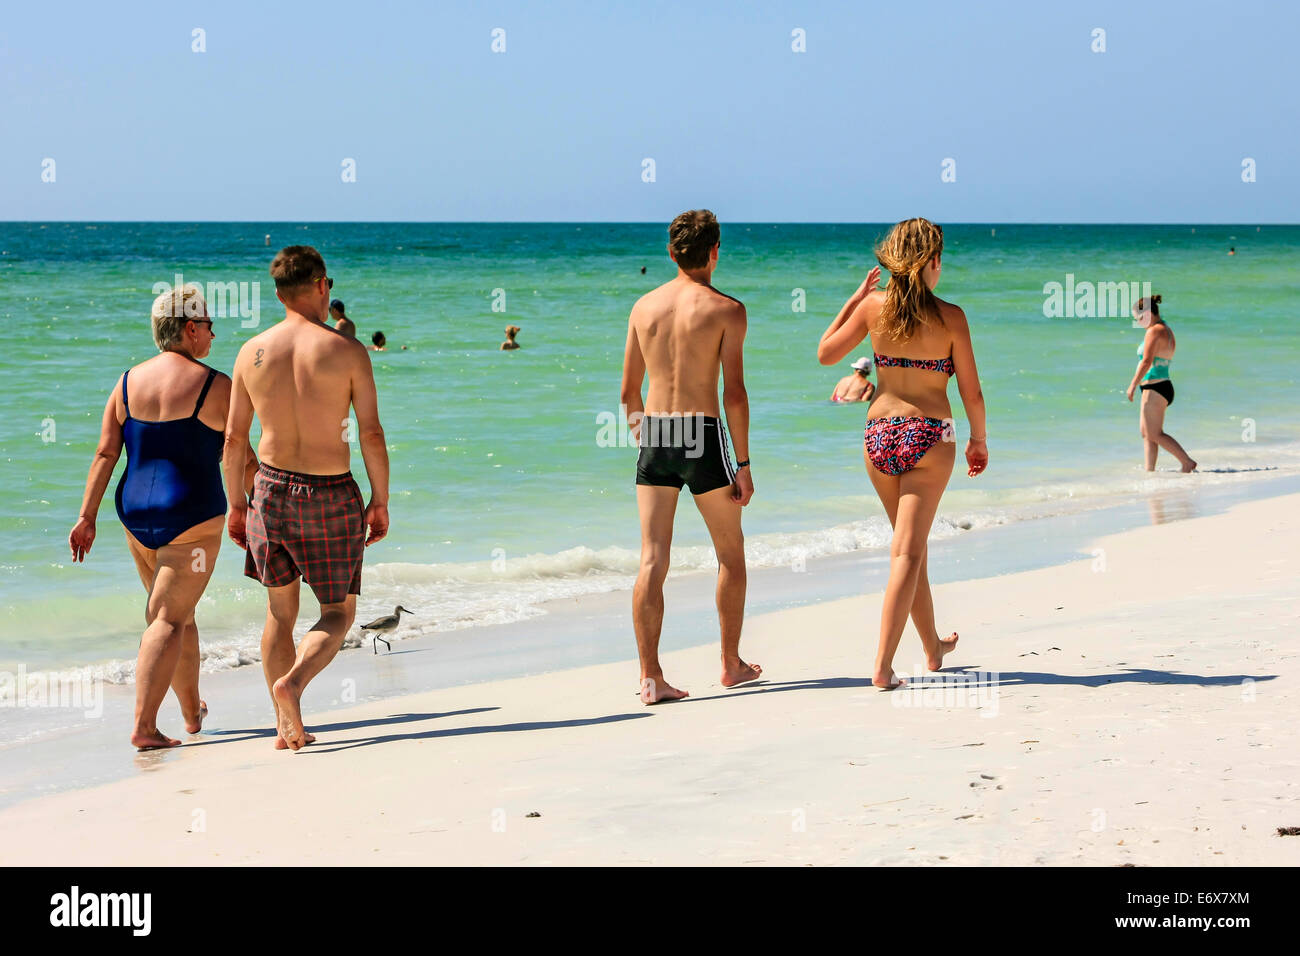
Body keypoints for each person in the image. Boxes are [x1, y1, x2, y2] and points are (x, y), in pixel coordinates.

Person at [69, 284, 257, 749]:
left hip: (135, 514)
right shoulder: (216, 385)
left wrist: (86, 517)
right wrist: (252, 506)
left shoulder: (128, 380)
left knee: (179, 614)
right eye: (209, 327)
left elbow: (105, 452)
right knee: (168, 620)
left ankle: (192, 712)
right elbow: (239, 453)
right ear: (190, 329)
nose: (213, 336)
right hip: (192, 514)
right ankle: (145, 726)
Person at [224, 246, 391, 751]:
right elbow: (371, 434)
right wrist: (380, 499)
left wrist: (236, 503)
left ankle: (285, 725)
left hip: (269, 491)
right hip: (330, 492)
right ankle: (293, 684)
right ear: (322, 286)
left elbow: (233, 441)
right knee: (338, 612)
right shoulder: (346, 352)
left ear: (278, 294)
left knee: (280, 614)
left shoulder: (251, 352)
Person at [817, 218, 988, 690]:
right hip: (931, 436)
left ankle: (933, 645)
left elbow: (825, 354)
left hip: (880, 435)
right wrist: (979, 439)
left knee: (909, 550)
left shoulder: (874, 307)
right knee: (907, 553)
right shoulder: (951, 316)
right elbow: (971, 392)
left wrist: (855, 299)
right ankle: (883, 666)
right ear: (933, 262)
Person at [620, 209, 759, 704]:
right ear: (715, 252)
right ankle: (729, 663)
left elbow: (628, 394)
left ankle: (650, 676)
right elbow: (735, 395)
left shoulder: (643, 308)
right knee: (730, 554)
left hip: (656, 433)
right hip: (702, 434)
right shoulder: (728, 310)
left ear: (671, 252)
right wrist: (742, 464)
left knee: (653, 557)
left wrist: (647, 442)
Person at [1127, 294, 1196, 472]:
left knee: (1154, 433)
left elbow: (1147, 361)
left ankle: (1187, 462)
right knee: (1147, 433)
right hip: (1161, 386)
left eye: (1140, 318)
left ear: (1148, 313)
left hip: (1155, 387)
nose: (1139, 323)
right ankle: (1149, 471)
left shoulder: (1154, 331)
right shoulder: (1166, 329)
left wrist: (1133, 384)